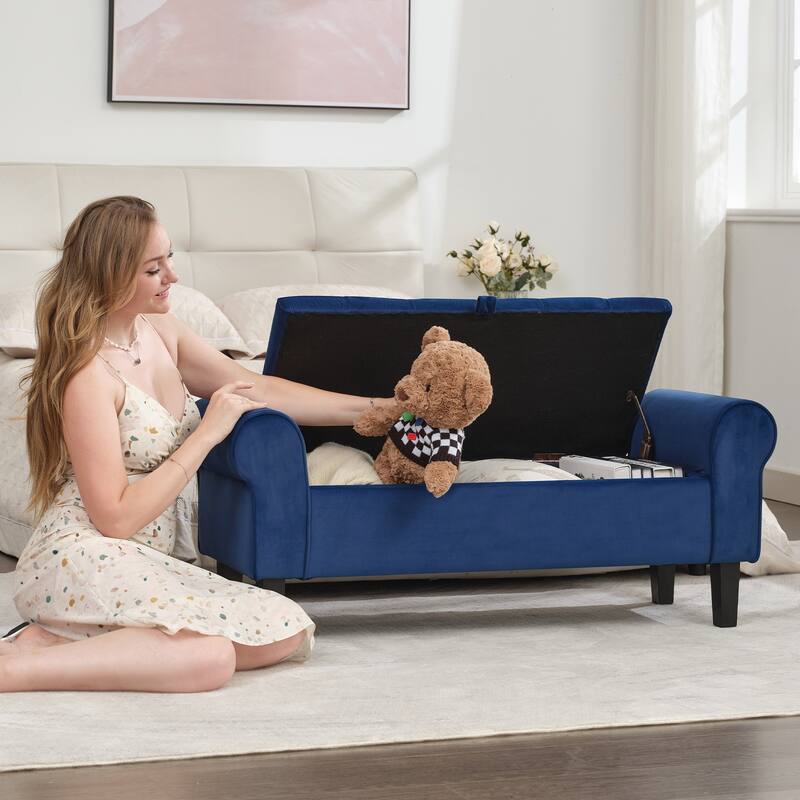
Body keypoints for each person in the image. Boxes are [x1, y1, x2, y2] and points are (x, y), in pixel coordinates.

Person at [0, 196, 394, 693]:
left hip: (147, 561)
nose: (172, 277)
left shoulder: (162, 333)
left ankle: (56, 642)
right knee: (208, 657)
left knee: (284, 629)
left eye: (169, 260)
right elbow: (115, 519)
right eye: (153, 268)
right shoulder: (87, 376)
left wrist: (379, 409)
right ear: (111, 273)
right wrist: (207, 434)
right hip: (86, 553)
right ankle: (14, 670)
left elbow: (263, 389)